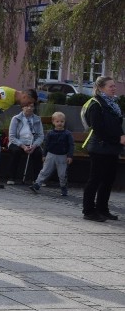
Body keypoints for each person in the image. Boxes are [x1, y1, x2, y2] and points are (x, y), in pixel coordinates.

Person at [81, 76, 124, 222]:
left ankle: (102, 209)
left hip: (111, 148)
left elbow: (114, 125)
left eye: (114, 86)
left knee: (108, 180)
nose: (114, 88)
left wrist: (119, 138)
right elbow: (98, 129)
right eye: (110, 86)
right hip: (99, 147)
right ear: (101, 88)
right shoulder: (96, 104)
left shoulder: (112, 104)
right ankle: (88, 210)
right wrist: (117, 139)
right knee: (95, 179)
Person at [30, 111, 74, 197]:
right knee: (45, 170)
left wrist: (69, 156)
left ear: (64, 122)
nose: (60, 123)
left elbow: (71, 145)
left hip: (62, 156)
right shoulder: (50, 133)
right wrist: (44, 154)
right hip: (50, 155)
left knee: (62, 174)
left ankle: (63, 187)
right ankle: (37, 184)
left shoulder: (67, 134)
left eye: (62, 121)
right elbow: (46, 145)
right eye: (57, 121)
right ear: (53, 122)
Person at [5, 102, 43, 185]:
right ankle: (11, 177)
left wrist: (34, 146)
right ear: (22, 107)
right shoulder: (16, 118)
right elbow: (12, 137)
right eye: (27, 106)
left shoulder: (37, 119)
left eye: (31, 106)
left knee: (38, 153)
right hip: (18, 142)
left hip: (32, 143)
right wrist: (23, 146)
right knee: (16, 151)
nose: (29, 108)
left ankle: (37, 179)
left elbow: (40, 136)